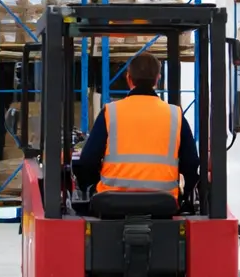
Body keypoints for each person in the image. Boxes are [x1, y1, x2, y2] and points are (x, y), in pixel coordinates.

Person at [74, 51, 199, 204]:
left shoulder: (110, 112)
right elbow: (191, 163)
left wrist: (91, 187)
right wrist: (185, 195)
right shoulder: (175, 114)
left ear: (128, 78)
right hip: (163, 203)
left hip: (112, 202)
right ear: (157, 79)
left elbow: (87, 162)